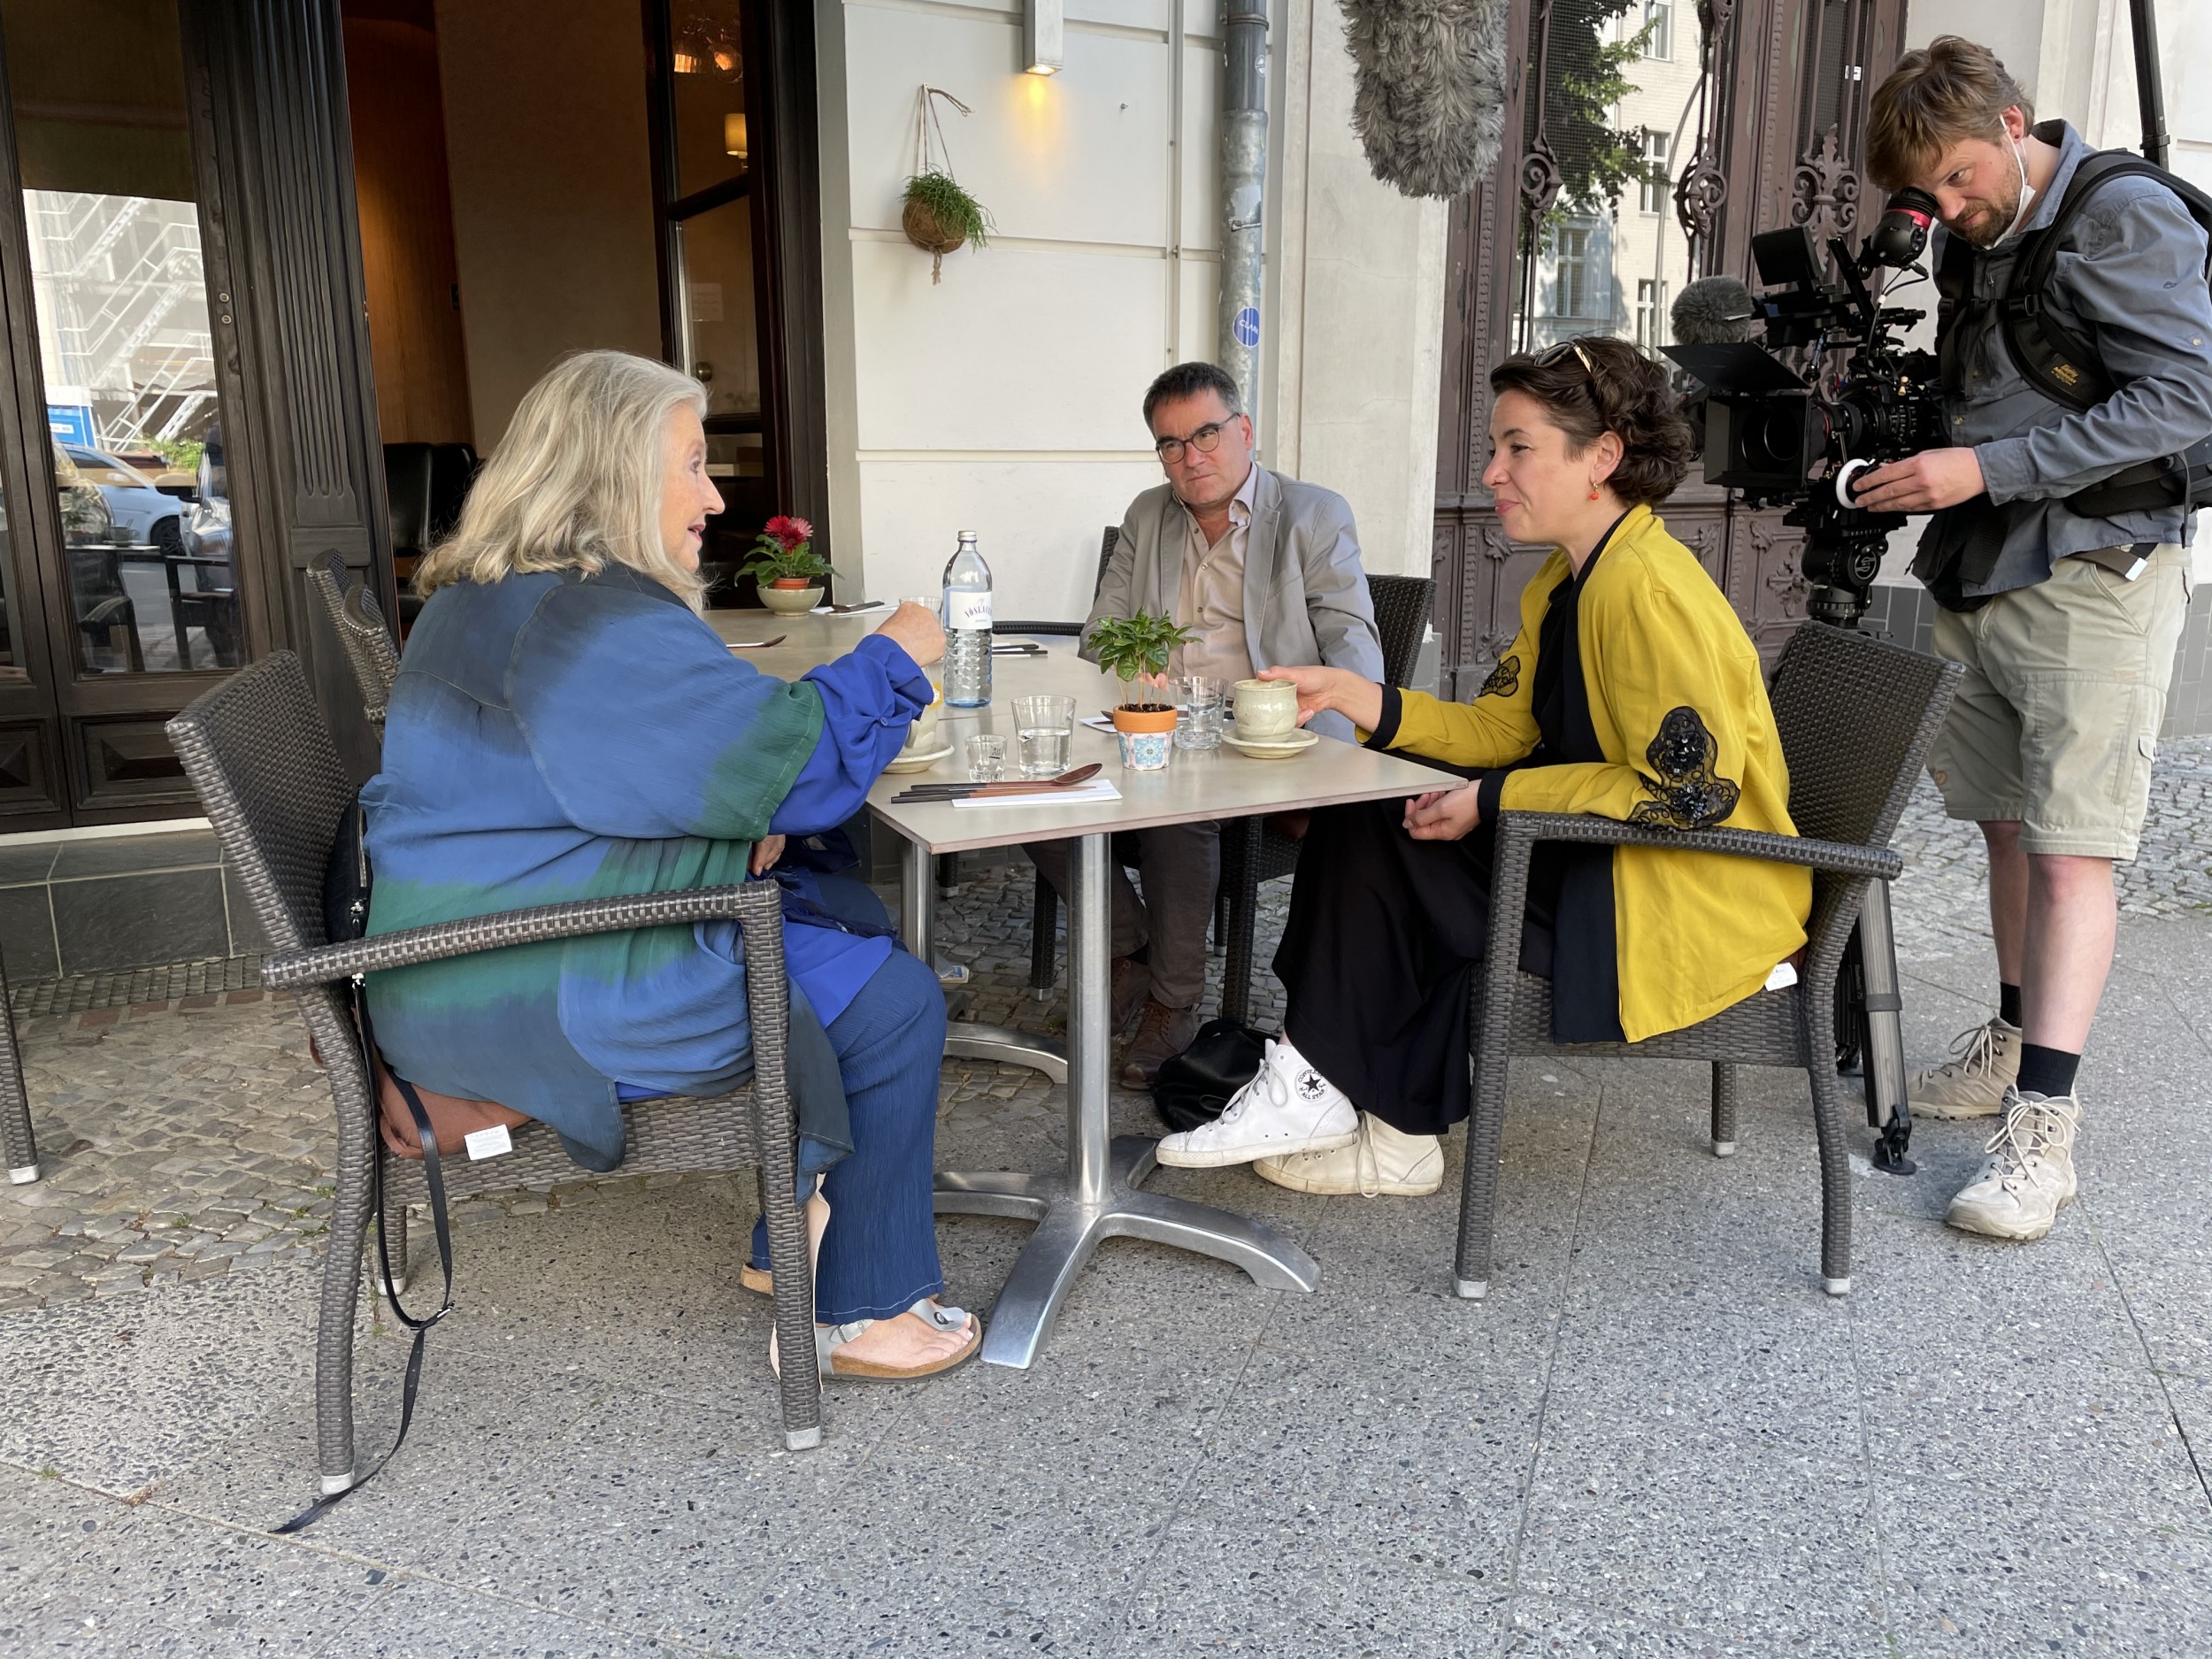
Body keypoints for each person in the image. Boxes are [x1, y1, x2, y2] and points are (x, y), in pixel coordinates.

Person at [361, 349, 978, 1382]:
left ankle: (793, 1237)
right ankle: (859, 1311)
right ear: (612, 473)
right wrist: (897, 653)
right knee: (890, 1002)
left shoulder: (502, 595)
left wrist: (730, 826)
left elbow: (627, 774)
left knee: (828, 905)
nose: (714, 496)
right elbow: (790, 771)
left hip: (468, 948)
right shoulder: (583, 621)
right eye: (691, 465)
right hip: (528, 973)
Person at [1155, 337, 1810, 1195]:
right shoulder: (1567, 579)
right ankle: (1338, 1096)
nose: (1493, 472)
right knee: (1372, 804)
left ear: (1602, 457)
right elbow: (1500, 729)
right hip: (1598, 857)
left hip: (1673, 896)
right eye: (1496, 448)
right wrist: (1358, 696)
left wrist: (1494, 799)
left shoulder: (1646, 591)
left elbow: (1692, 793)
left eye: (1518, 448)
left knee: (1397, 847)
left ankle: (1348, 1104)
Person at [1854, 40, 2212, 1241]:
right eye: (1931, 194)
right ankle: (2014, 1038)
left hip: (2094, 570)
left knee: (2072, 852)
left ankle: (2043, 1134)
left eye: (1961, 177)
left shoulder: (2123, 214)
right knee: (2006, 826)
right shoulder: (1975, 229)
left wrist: (1983, 469)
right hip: (1984, 562)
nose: (1950, 209)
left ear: (2014, 124)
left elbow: (2187, 396)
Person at [1027, 361, 1385, 1086]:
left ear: (1243, 429)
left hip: (1259, 737)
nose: (1190, 457)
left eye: (1207, 434)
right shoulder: (1147, 514)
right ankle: (1130, 948)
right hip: (1156, 721)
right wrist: (1136, 667)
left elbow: (1353, 643)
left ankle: (1173, 1001)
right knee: (1035, 782)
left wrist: (1334, 767)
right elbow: (1101, 633)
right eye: (1170, 443)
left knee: (1177, 811)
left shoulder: (1313, 514)